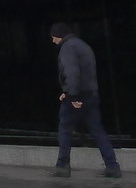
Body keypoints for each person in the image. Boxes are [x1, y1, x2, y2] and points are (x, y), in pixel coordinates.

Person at [50, 22, 121, 178]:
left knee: (65, 129)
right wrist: (67, 92)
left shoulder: (67, 47)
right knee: (98, 130)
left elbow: (72, 73)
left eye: (53, 37)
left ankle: (62, 166)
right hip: (91, 95)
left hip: (77, 97)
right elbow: (86, 74)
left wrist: (72, 96)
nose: (53, 41)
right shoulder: (83, 45)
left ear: (59, 36)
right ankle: (112, 166)